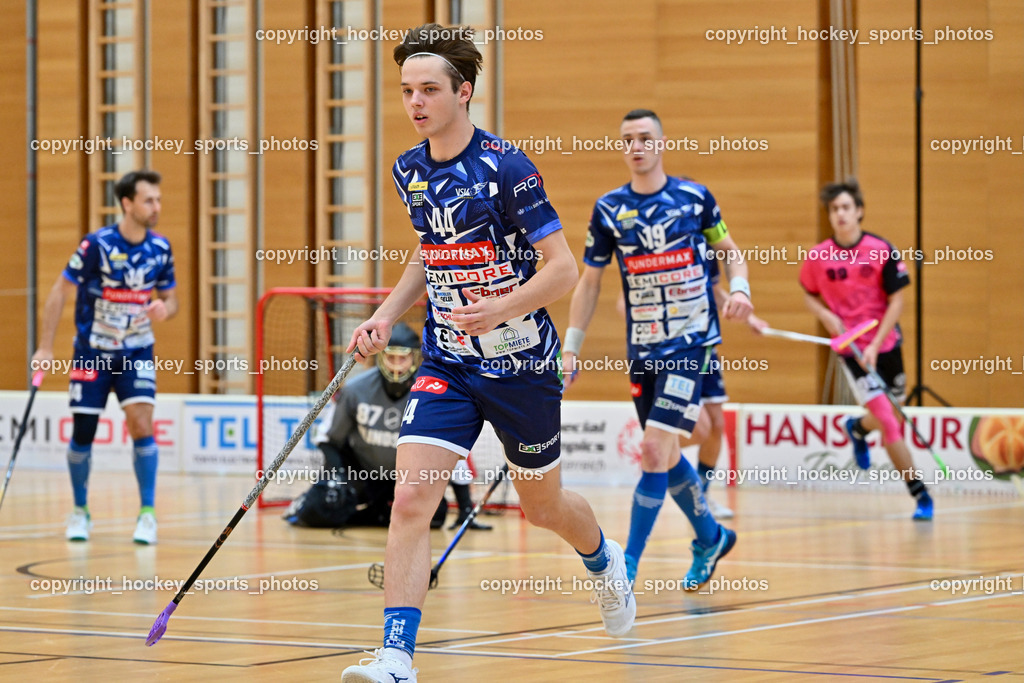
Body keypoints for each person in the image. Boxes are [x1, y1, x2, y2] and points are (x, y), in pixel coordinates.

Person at [340, 24, 635, 683]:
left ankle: (601, 558)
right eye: (407, 91)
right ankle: (396, 654)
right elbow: (429, 248)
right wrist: (387, 314)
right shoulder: (408, 170)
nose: (415, 103)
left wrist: (500, 308)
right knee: (412, 497)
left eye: (429, 90)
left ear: (463, 92)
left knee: (544, 506)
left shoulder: (507, 168)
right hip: (447, 361)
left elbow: (561, 269)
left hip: (521, 361)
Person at [563, 109, 751, 586]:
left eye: (645, 137)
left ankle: (626, 564)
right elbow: (589, 284)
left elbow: (729, 252)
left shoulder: (694, 198)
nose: (637, 146)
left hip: (691, 344)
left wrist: (742, 289)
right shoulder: (609, 209)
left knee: (651, 449)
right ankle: (710, 536)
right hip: (644, 349)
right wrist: (572, 347)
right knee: (664, 455)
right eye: (628, 139)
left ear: (663, 143)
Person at [31, 170, 177, 544]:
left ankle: (147, 513)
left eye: (158, 199)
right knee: (83, 432)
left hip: (137, 351)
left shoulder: (160, 248)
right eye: (149, 200)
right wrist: (46, 347)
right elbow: (58, 293)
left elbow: (171, 299)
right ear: (127, 203)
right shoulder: (95, 245)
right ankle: (80, 510)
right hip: (93, 352)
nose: (156, 206)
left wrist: (165, 308)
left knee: (143, 424)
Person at [800, 179, 932, 520]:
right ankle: (920, 494)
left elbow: (897, 301)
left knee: (893, 409)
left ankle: (857, 428)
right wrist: (826, 316)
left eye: (846, 207)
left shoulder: (881, 249)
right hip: (851, 351)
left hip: (885, 344)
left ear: (859, 211)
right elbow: (808, 294)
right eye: (834, 209)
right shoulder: (818, 258)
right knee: (890, 422)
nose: (840, 214)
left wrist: (875, 344)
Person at [298, 323, 490, 530]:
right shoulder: (355, 390)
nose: (396, 366)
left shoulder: (431, 393)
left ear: (414, 358)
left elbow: (448, 451)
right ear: (381, 358)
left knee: (435, 517)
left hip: (406, 478)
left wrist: (465, 510)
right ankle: (359, 509)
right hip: (364, 475)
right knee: (323, 507)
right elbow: (328, 439)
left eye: (403, 358)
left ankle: (376, 513)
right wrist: (336, 480)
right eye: (391, 357)